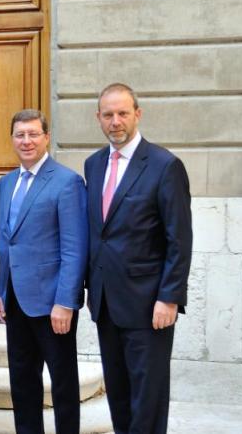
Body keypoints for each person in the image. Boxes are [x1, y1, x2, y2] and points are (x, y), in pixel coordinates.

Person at [85, 83, 192, 434]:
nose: (115, 121)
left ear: (137, 114)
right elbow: (98, 232)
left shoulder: (164, 165)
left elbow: (179, 239)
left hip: (149, 306)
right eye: (108, 115)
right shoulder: (94, 165)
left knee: (148, 398)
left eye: (122, 113)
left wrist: (169, 297)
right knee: (118, 394)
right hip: (105, 302)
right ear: (98, 118)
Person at [0, 109, 88, 434]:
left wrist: (66, 302)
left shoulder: (67, 182)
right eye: (20, 135)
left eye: (33, 134)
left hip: (52, 303)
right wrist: (0, 291)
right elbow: (6, 242)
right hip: (16, 299)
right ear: (12, 139)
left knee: (62, 382)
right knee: (22, 380)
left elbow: (74, 249)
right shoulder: (6, 183)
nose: (26, 141)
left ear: (46, 137)